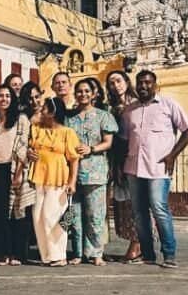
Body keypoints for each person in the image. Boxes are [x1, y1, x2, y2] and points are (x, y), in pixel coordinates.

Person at [120, 70, 188, 268]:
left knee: (159, 208)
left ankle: (169, 254)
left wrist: (173, 155)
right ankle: (148, 254)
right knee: (139, 211)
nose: (143, 86)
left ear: (155, 85)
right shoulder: (129, 111)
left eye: (147, 83)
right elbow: (124, 141)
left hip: (158, 168)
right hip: (133, 168)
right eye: (140, 83)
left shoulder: (169, 105)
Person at [0, 85, 33, 266]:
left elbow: (24, 147)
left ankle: (17, 253)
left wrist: (18, 173)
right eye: (1, 96)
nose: (4, 99)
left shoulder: (21, 119)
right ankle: (3, 252)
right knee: (1, 213)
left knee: (18, 212)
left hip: (14, 168)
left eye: (8, 96)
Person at [66, 79, 117, 266]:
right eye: (79, 91)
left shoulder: (103, 116)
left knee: (95, 216)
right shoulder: (70, 119)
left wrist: (91, 149)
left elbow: (108, 142)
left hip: (95, 172)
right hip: (73, 174)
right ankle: (78, 253)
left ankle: (96, 253)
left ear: (93, 93)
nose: (83, 94)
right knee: (75, 217)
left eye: (87, 91)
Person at [27, 97, 80, 266]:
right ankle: (47, 255)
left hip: (58, 178)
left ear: (53, 112)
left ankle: (59, 255)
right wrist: (29, 152)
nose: (41, 111)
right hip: (39, 177)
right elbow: (29, 146)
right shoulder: (36, 129)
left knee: (53, 217)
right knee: (38, 217)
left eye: (45, 108)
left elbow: (74, 159)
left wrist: (72, 182)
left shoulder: (67, 132)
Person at [105, 70, 141, 262]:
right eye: (111, 83)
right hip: (117, 158)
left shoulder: (136, 105)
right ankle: (135, 243)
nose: (115, 85)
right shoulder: (111, 108)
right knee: (123, 203)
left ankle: (137, 245)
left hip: (135, 158)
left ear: (127, 82)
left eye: (118, 81)